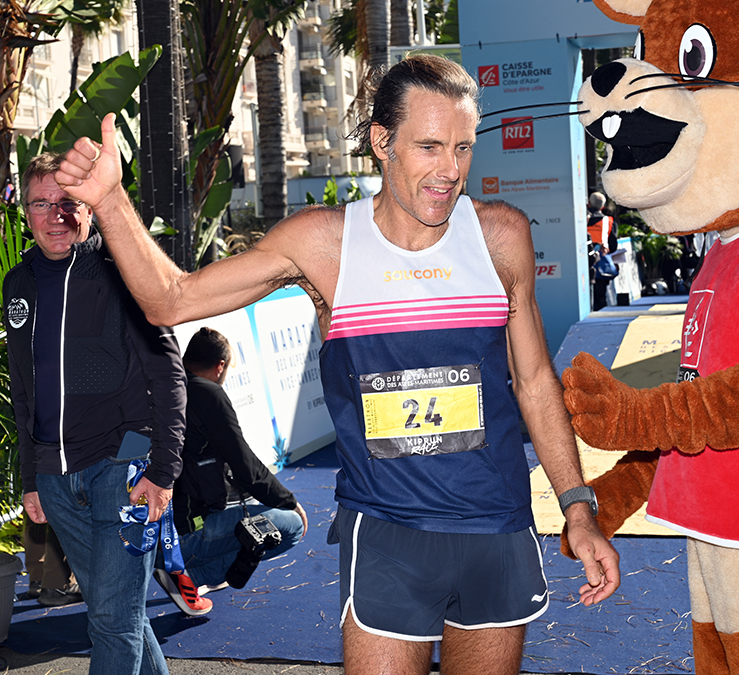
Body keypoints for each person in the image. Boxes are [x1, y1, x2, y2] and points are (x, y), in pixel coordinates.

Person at [55, 54, 619, 675]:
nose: (450, 170)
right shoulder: (325, 243)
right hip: (387, 535)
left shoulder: (500, 235)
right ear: (382, 142)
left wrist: (577, 508)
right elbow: (171, 300)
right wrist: (110, 201)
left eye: (463, 147)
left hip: (496, 528)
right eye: (429, 147)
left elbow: (534, 382)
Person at [5, 152, 186, 675]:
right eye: (41, 203)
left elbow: (168, 374)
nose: (55, 215)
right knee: (119, 613)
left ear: (87, 207)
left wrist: (162, 470)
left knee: (111, 620)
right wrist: (32, 479)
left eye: (67, 202)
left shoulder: (123, 273)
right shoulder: (17, 284)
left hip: (123, 465)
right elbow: (24, 390)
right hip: (57, 479)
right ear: (26, 213)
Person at [154, 326, 307, 616]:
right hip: (184, 537)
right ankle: (192, 577)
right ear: (220, 366)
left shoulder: (164, 385)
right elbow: (245, 464)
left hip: (150, 530)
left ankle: (184, 568)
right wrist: (289, 502)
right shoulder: (207, 393)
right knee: (291, 525)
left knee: (246, 504)